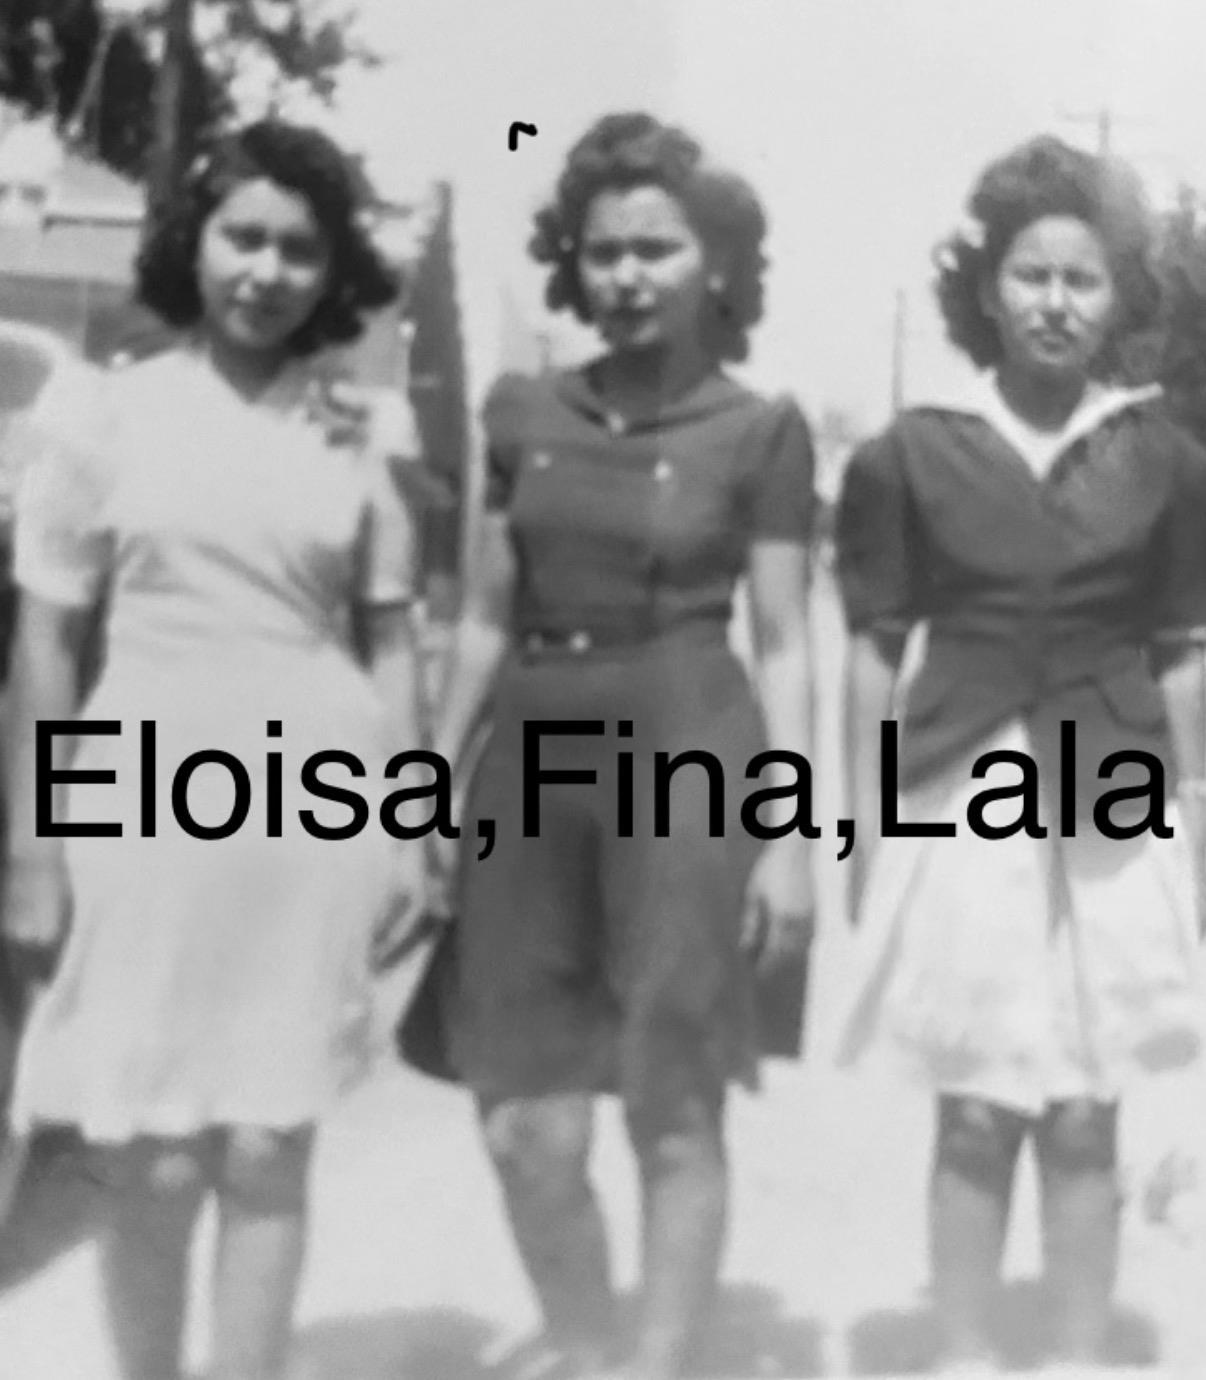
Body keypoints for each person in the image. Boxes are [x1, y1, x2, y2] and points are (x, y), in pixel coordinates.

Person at [0, 119, 426, 1380]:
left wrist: (409, 827)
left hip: (311, 809)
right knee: (153, 1152)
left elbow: (394, 642)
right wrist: (34, 846)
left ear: (332, 271)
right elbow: (46, 645)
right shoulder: (101, 408)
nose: (267, 271)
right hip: (140, 802)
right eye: (244, 237)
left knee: (266, 1145)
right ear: (194, 243)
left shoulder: (363, 428)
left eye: (300, 249)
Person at [431, 112, 816, 1380]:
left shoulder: (759, 431)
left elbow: (786, 642)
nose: (628, 275)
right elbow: (481, 617)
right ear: (573, 264)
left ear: (718, 263)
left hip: (688, 751)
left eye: (658, 249)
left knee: (673, 1098)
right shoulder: (521, 412)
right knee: (524, 1128)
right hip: (531, 765)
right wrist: (428, 784)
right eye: (604, 252)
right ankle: (589, 1344)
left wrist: (790, 842)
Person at [836, 134, 1206, 1375]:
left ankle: (1077, 1358)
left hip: (1111, 807)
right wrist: (863, 816)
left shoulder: (1163, 460)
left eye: (1082, 280)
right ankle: (964, 1356)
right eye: (1031, 275)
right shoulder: (912, 452)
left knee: (1089, 1111)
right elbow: (874, 652)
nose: (1056, 302)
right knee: (977, 1109)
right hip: (965, 795)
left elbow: (1183, 657)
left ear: (1117, 300)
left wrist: (1197, 817)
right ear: (987, 289)